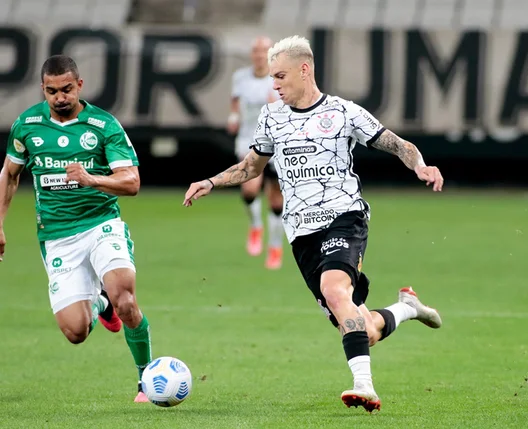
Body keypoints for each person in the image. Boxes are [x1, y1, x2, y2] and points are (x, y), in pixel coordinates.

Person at [183, 35, 444, 412]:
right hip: (301, 233)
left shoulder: (343, 112)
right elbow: (250, 168)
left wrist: (421, 166)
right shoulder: (272, 117)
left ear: (304, 70)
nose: (274, 85)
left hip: (345, 218)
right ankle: (407, 308)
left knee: (336, 291)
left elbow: (399, 144)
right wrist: (210, 181)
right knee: (360, 328)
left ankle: (364, 386)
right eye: (272, 77)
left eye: (280, 76)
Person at [0, 55, 153, 403]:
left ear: (79, 86)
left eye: (67, 89)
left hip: (102, 224)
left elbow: (131, 182)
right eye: (52, 91)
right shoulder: (27, 126)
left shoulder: (103, 125)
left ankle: (146, 378)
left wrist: (91, 179)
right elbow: (9, 174)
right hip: (57, 237)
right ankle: (101, 305)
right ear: (43, 89)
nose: (60, 97)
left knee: (125, 296)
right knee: (75, 332)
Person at [227, 36, 285, 269]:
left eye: (264, 51)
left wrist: (278, 104)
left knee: (275, 197)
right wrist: (233, 117)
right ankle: (255, 226)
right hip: (248, 140)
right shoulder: (240, 77)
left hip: (277, 142)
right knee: (250, 187)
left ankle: (275, 246)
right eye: (256, 51)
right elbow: (235, 102)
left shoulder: (279, 77)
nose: (259, 55)